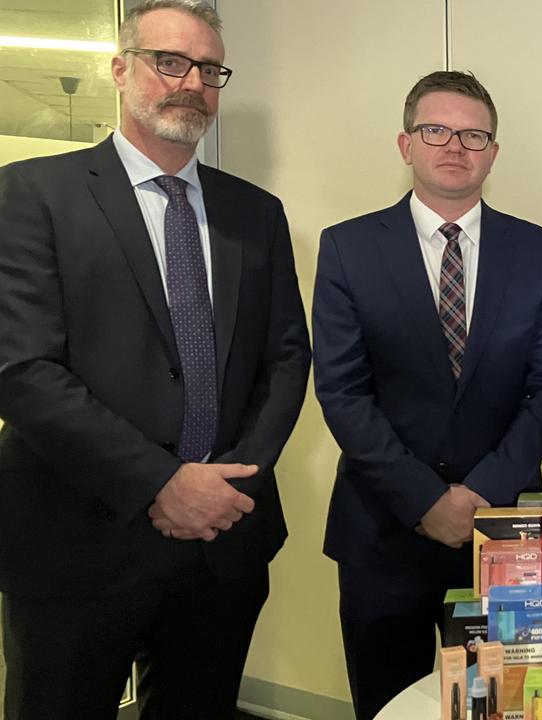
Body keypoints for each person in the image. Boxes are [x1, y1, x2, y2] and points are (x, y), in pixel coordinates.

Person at [0, 1, 311, 717]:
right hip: (77, 541)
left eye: (208, 69)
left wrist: (230, 482)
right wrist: (161, 482)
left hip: (221, 545)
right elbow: (23, 370)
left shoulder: (254, 212)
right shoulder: (36, 194)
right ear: (119, 70)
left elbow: (286, 359)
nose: (190, 83)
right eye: (168, 61)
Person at [312, 70, 542, 720]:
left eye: (473, 134)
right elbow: (343, 392)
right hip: (383, 531)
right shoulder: (348, 248)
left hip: (501, 536)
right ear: (406, 144)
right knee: (387, 705)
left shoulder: (536, 251)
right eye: (436, 130)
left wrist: (480, 497)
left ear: (493, 151)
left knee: (502, 707)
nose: (454, 145)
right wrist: (425, 499)